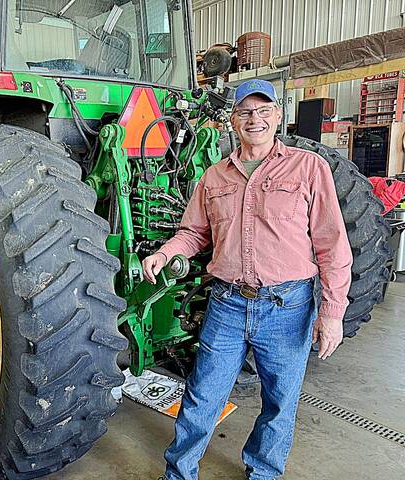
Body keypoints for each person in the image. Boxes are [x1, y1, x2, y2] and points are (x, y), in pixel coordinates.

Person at [144, 79, 353, 480]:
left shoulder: (309, 167)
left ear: (277, 116)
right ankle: (179, 473)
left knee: (280, 402)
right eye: (244, 112)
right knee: (202, 397)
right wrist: (165, 253)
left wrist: (332, 313)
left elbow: (332, 245)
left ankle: (264, 471)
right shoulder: (214, 176)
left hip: (288, 307)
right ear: (232, 120)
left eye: (262, 111)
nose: (253, 119)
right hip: (227, 304)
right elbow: (195, 233)